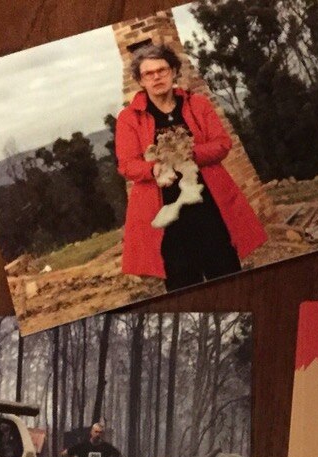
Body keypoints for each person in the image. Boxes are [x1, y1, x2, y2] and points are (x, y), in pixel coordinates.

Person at [115, 44, 268, 291]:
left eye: (162, 70)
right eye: (148, 74)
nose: (157, 77)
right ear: (140, 81)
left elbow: (222, 144)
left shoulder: (198, 104)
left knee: (227, 275)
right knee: (183, 285)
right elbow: (127, 164)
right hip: (167, 216)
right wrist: (153, 168)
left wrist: (188, 154)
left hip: (209, 206)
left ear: (174, 71)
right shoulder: (129, 118)